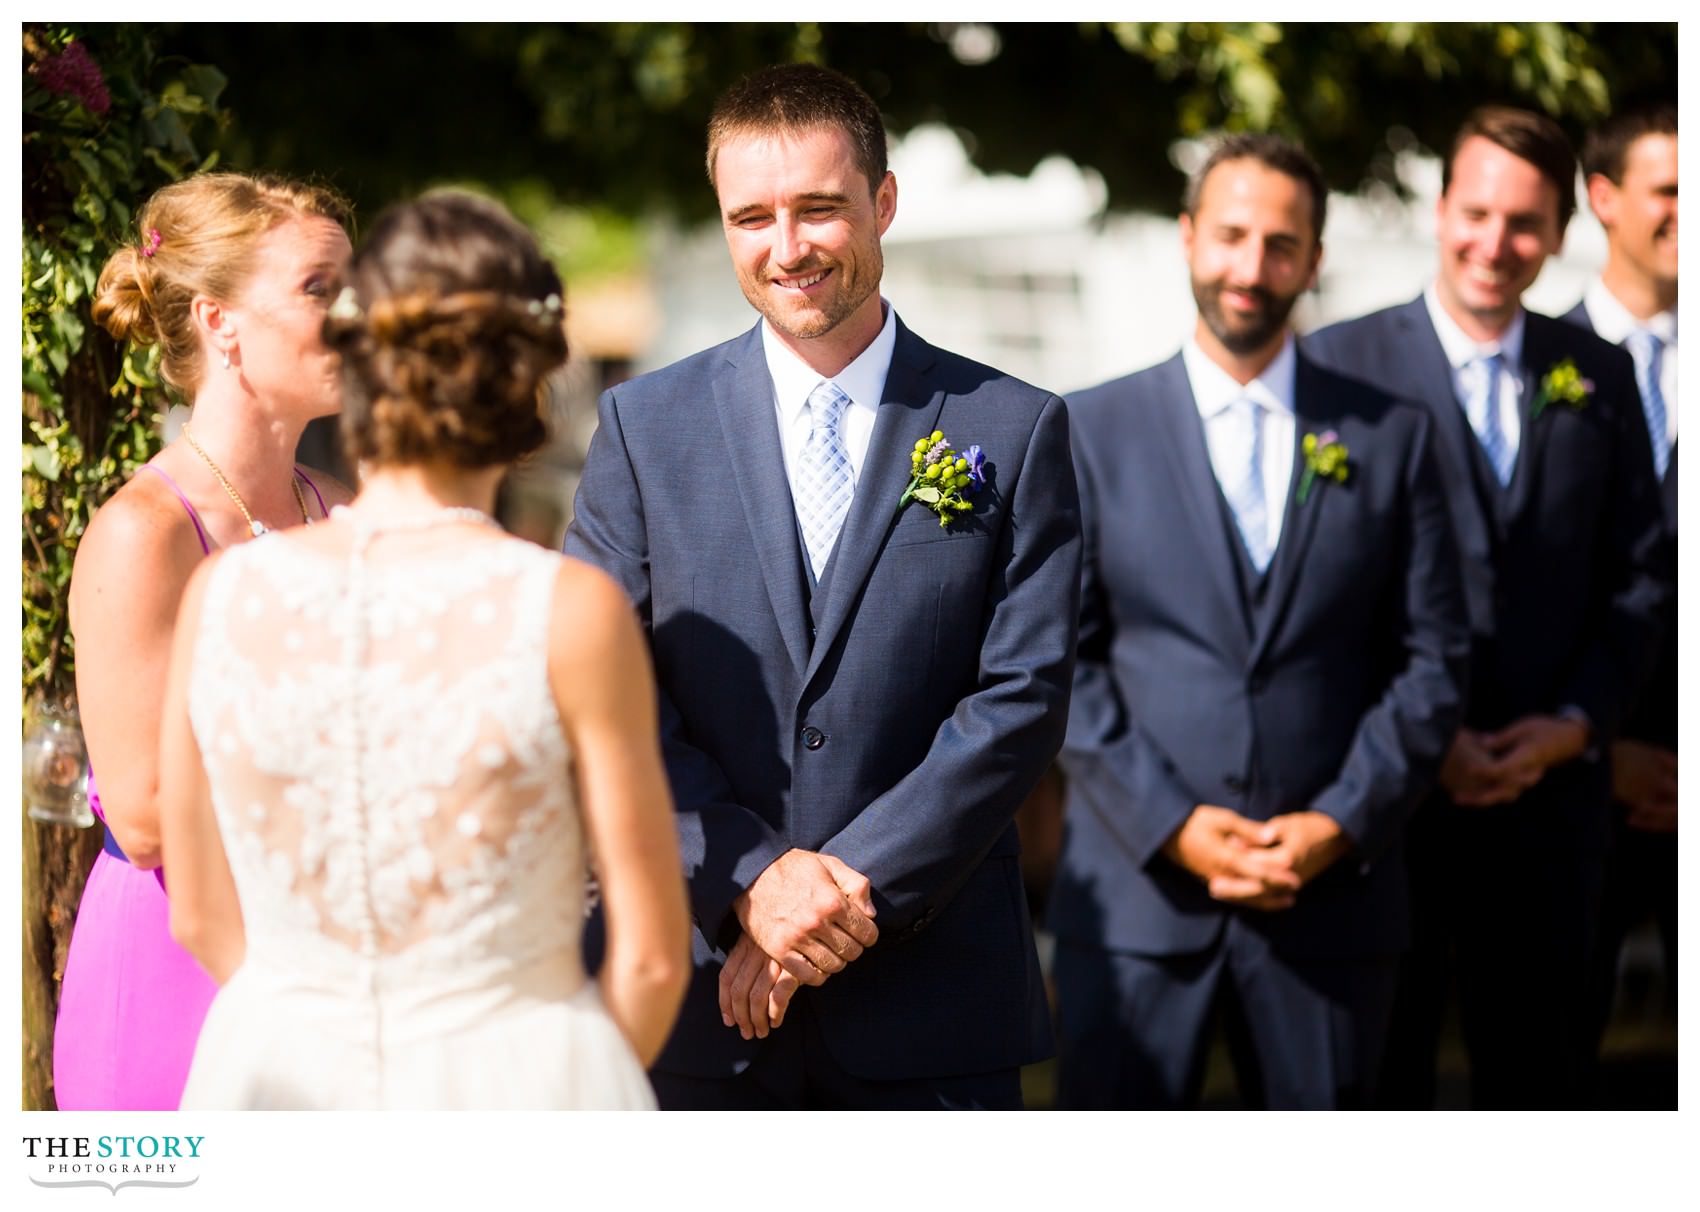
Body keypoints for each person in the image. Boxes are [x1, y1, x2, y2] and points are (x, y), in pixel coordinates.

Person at [566, 63, 1080, 1110]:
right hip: (703, 998)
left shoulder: (1012, 428)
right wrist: (751, 877)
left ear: (882, 202)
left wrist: (835, 901)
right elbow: (598, 684)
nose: (785, 247)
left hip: (932, 1004)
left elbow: (1019, 699)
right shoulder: (641, 428)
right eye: (750, 216)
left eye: (817, 209)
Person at [155, 192, 690, 1110]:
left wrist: (322, 1034)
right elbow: (648, 959)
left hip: (275, 1086)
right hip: (514, 1096)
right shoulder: (567, 609)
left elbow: (200, 913)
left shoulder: (224, 594)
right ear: (528, 380)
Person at [1051, 134, 1468, 1109]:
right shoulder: (1084, 428)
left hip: (1331, 905)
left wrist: (1339, 821)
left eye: (1280, 244)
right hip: (1134, 905)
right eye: (1230, 235)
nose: (1250, 268)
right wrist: (1174, 825)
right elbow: (1060, 662)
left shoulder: (1391, 433)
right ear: (1188, 238)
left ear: (1313, 260)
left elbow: (1434, 658)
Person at [1304, 106, 1669, 1108]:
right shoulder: (1337, 366)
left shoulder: (1597, 371)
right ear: (1438, 209)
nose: (1492, 243)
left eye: (1522, 223)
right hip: (1388, 809)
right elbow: (1316, 590)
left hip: (1549, 812)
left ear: (1557, 233)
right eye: (1474, 212)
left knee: (1542, 1086)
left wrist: (1572, 728)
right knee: (1383, 1087)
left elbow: (1638, 579)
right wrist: (1425, 737)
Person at [55, 172, 354, 1110]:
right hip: (172, 968)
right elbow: (145, 816)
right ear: (219, 320)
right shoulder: (144, 531)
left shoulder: (342, 515)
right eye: (319, 290)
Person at [1562, 103, 1678, 1063]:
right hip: (1564, 788)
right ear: (1603, 198)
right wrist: (1602, 745)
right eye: (1672, 191)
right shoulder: (1526, 364)